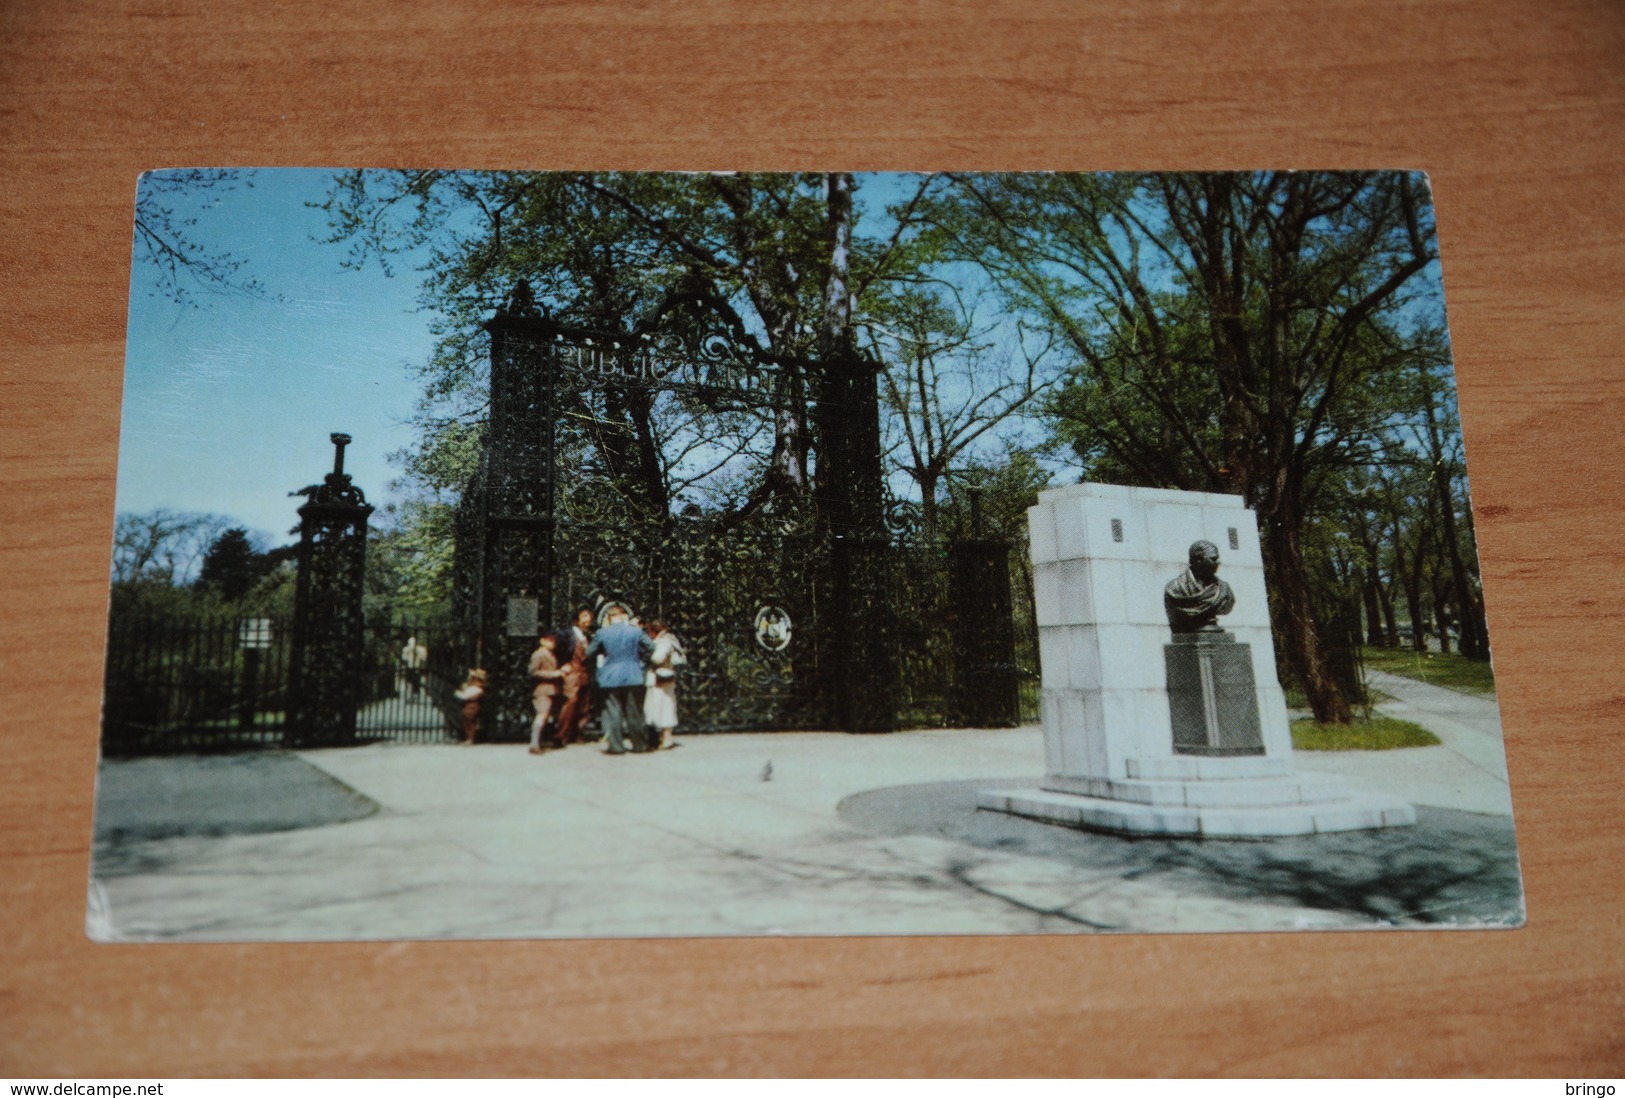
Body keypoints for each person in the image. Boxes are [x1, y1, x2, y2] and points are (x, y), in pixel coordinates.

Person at [585, 603, 654, 755]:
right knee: (634, 711)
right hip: (633, 674)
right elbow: (651, 647)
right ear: (624, 617)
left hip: (610, 676)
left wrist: (603, 658)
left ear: (609, 618)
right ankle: (639, 745)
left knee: (612, 711)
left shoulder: (602, 633)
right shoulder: (635, 632)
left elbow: (589, 653)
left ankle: (616, 746)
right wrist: (642, 663)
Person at [1163, 540, 1236, 633]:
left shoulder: (1224, 589)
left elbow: (1226, 607)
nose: (1218, 562)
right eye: (1213, 559)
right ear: (1199, 560)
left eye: (1217, 558)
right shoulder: (1175, 588)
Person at [554, 606, 596, 745]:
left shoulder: (588, 636)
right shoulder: (566, 634)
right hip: (572, 672)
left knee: (584, 705)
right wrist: (562, 665)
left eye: (589, 616)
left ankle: (578, 734)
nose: (588, 620)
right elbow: (557, 650)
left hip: (585, 673)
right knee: (570, 703)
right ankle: (561, 735)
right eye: (584, 616)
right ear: (576, 619)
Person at [643, 619, 685, 750]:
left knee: (659, 707)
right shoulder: (672, 639)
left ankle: (665, 739)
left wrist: (648, 654)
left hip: (659, 678)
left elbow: (658, 658)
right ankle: (665, 738)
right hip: (667, 676)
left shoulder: (663, 641)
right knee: (666, 706)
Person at [526, 633, 565, 753]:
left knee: (546, 716)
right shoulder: (539, 654)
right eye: (549, 640)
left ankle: (540, 741)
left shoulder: (551, 654)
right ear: (542, 641)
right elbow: (533, 672)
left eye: (553, 641)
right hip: (542, 689)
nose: (552, 643)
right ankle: (534, 743)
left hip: (552, 689)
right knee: (542, 715)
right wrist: (553, 674)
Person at [454, 668, 488, 745]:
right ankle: (469, 738)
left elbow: (465, 696)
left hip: (471, 707)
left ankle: (470, 738)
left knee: (469, 723)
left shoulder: (477, 688)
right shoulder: (474, 687)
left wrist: (458, 693)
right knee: (467, 722)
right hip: (469, 707)